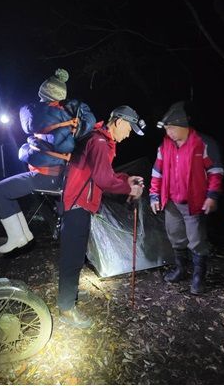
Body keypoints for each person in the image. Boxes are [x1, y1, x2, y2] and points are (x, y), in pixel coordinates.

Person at [0, 69, 96, 254]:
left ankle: (18, 236)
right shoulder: (64, 116)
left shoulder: (37, 114)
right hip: (56, 175)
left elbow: (56, 145)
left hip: (48, 177)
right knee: (5, 192)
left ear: (42, 93)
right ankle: (22, 235)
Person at [58, 105, 146, 328]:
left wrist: (127, 179)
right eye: (129, 128)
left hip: (80, 203)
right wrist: (129, 188)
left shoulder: (100, 140)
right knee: (73, 258)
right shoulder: (98, 142)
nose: (128, 134)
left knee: (77, 255)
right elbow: (103, 180)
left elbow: (106, 174)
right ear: (118, 122)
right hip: (77, 203)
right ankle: (66, 308)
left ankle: (70, 296)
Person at [149, 101, 224, 295]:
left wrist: (212, 195)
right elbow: (157, 172)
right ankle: (181, 269)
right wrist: (154, 195)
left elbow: (215, 171)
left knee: (197, 240)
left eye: (171, 128)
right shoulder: (165, 145)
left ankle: (199, 277)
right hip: (172, 201)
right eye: (166, 129)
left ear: (183, 126)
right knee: (175, 236)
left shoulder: (202, 143)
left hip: (194, 202)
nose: (169, 133)